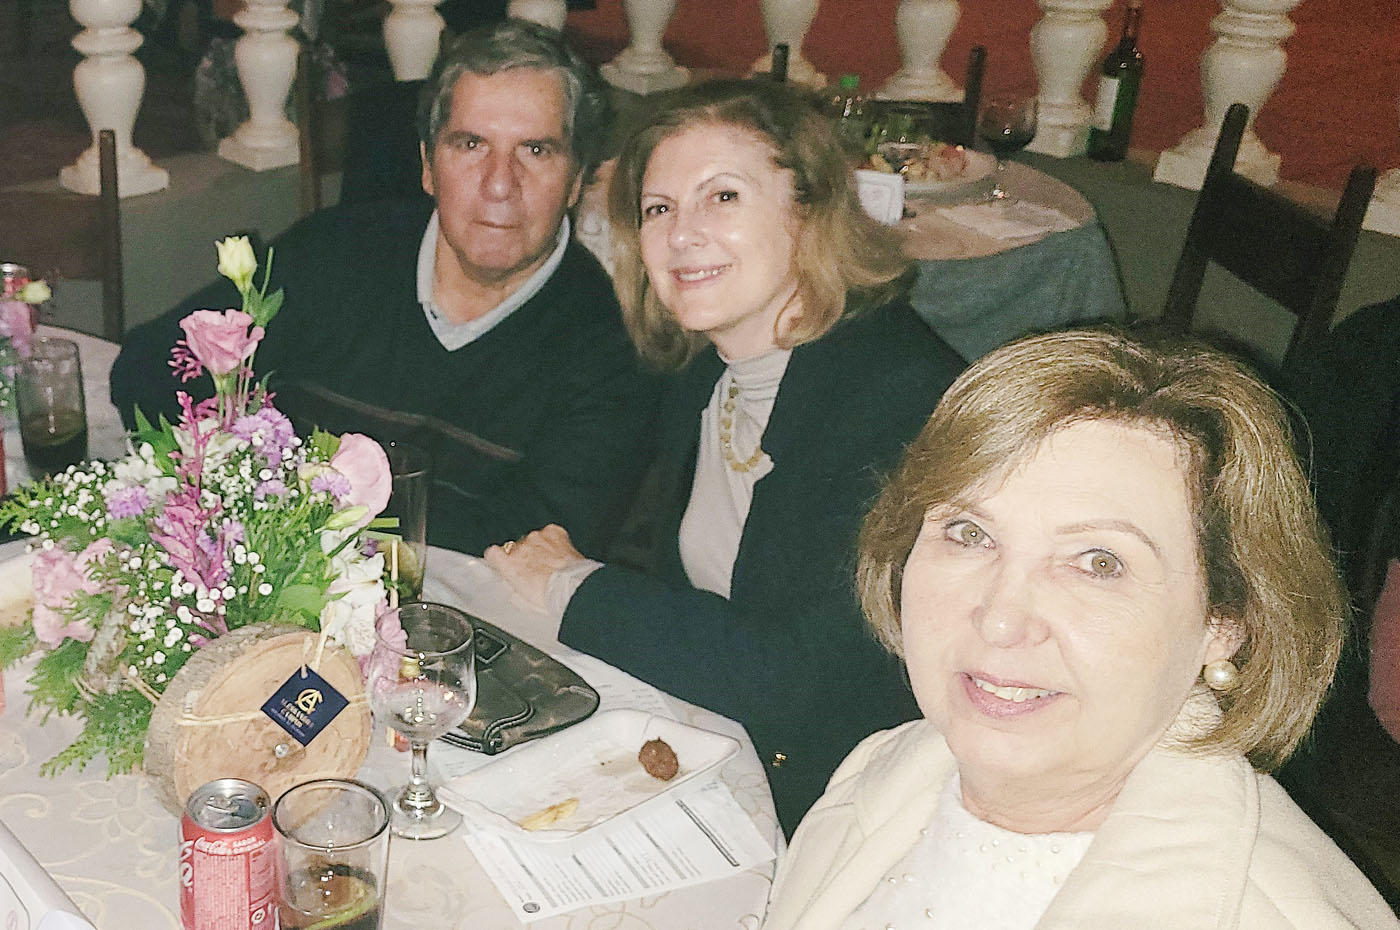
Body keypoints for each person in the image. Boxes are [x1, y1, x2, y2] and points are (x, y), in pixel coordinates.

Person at [762, 328, 1398, 930]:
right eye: (969, 533)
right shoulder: (888, 767)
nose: (1001, 619)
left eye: (1098, 564)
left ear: (1224, 624)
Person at [485, 79, 966, 835]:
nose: (682, 235)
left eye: (723, 197)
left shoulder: (896, 401)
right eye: (659, 209)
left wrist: (577, 585)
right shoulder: (709, 373)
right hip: (725, 751)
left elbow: (802, 682)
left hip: (848, 806)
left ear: (808, 212)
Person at [109, 19, 656, 559]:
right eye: (470, 144)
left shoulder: (611, 349)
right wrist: (251, 487)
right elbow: (150, 365)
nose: (499, 184)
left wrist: (308, 498)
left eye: (536, 150)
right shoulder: (329, 254)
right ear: (427, 166)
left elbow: (538, 551)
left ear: (577, 180)